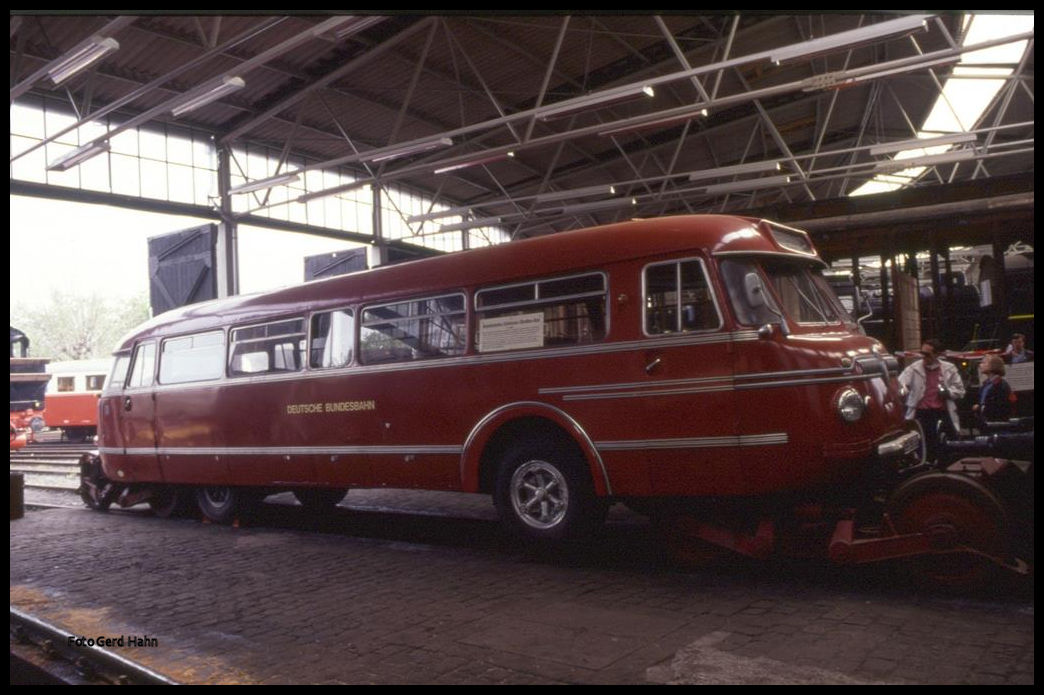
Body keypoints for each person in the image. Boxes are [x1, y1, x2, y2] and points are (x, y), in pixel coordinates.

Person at [898, 339, 966, 464]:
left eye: (927, 354)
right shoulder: (914, 368)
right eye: (922, 353)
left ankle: (947, 466)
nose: (923, 357)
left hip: (942, 412)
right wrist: (904, 389)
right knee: (922, 445)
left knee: (948, 442)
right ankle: (925, 467)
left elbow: (960, 391)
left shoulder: (949, 368)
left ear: (937, 354)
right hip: (921, 413)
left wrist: (948, 392)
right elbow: (900, 383)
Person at [972, 354, 1014, 427]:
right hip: (986, 422)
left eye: (984, 362)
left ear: (993, 365)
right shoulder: (985, 385)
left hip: (997, 423)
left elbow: (1001, 406)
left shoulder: (1001, 385)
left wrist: (981, 408)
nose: (980, 365)